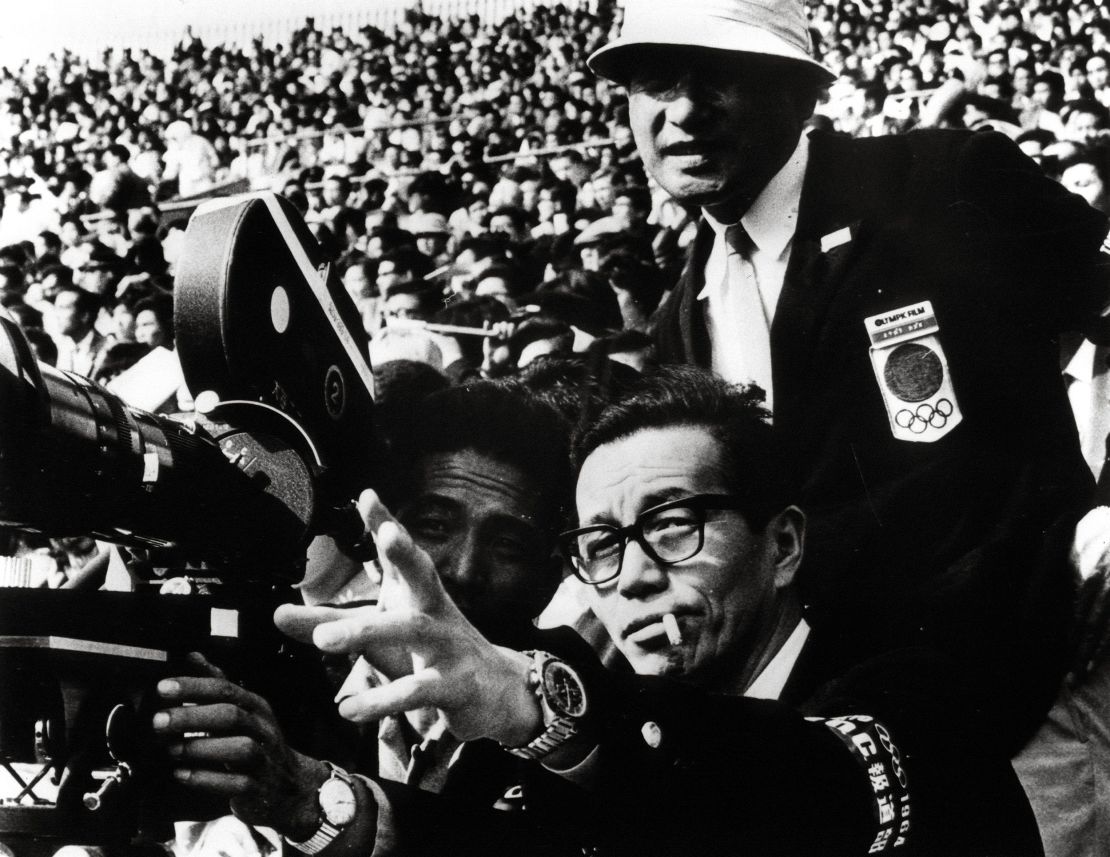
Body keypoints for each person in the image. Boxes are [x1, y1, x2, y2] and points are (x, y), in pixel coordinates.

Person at [590, 0, 1109, 752]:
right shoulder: (684, 310)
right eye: (654, 83)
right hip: (868, 723)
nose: (684, 113)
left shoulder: (938, 180)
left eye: (720, 77)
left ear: (800, 93)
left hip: (1040, 688)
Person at [269, 367, 1042, 856]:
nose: (633, 575)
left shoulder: (915, 690)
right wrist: (299, 792)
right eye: (601, 543)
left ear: (783, 543)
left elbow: (801, 786)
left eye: (672, 527)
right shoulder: (579, 746)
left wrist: (537, 702)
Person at [152, 382, 573, 851]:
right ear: (373, 539)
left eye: (507, 544)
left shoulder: (573, 718)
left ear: (550, 577)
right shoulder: (291, 663)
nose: (463, 569)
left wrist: (315, 805)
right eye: (435, 526)